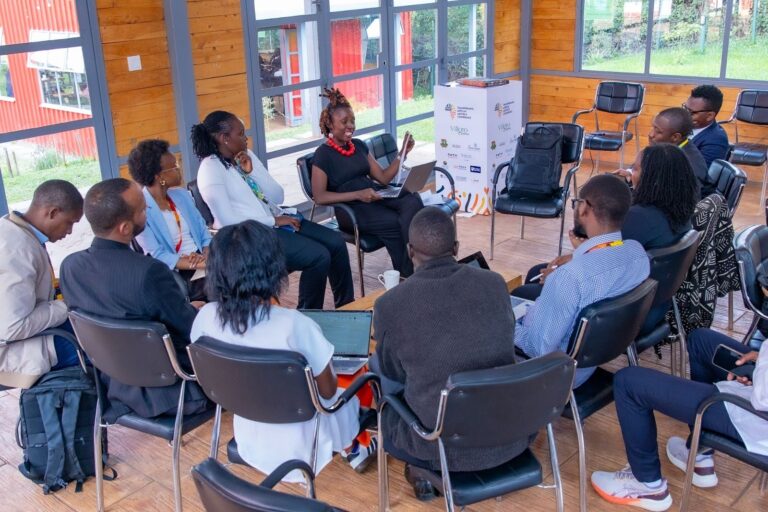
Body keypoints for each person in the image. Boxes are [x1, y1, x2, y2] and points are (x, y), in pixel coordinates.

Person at [190, 220, 373, 481]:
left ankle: (354, 448)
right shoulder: (294, 325)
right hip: (307, 441)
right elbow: (327, 391)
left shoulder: (205, 318)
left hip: (249, 431)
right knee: (359, 375)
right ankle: (355, 447)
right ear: (274, 269)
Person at [373, 208, 522, 500]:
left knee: (378, 370)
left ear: (410, 251)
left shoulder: (390, 304)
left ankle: (422, 468)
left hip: (438, 445)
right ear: (455, 248)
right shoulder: (494, 283)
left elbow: (393, 373)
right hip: (511, 432)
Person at [60, 178, 209, 420]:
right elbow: (189, 329)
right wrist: (196, 311)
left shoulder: (71, 266)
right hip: (175, 391)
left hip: (113, 386)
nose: (148, 211)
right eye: (142, 210)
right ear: (125, 228)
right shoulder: (148, 272)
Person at [192, 110, 354, 309]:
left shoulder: (245, 156)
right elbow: (227, 221)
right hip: (250, 238)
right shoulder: (210, 169)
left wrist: (252, 172)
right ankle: (309, 314)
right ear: (224, 138)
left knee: (336, 242)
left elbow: (277, 196)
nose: (246, 138)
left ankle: (347, 307)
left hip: (276, 221)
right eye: (240, 134)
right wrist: (273, 221)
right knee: (318, 256)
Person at [592, 328, 768, 511]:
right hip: (760, 392)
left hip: (755, 417)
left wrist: (763, 363)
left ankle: (647, 484)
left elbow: (762, 398)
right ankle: (700, 453)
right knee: (701, 341)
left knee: (628, 382)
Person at [513, 175, 649, 387]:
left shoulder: (569, 277)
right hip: (591, 361)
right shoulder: (638, 253)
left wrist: (503, 324)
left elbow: (537, 349)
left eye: (576, 203)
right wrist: (580, 255)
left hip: (554, 376)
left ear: (584, 207)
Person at [311, 88, 423, 277]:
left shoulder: (358, 145)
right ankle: (408, 276)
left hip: (373, 195)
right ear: (330, 124)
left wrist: (402, 153)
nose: (350, 126)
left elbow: (383, 178)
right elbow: (319, 197)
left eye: (352, 121)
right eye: (344, 122)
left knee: (412, 200)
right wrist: (358, 195)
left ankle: (422, 261)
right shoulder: (323, 154)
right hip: (350, 208)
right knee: (394, 222)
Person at [0, 180, 83, 388]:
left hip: (25, 331)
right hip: (12, 349)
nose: (70, 231)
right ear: (52, 212)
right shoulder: (17, 249)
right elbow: (13, 328)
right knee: (103, 348)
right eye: (70, 223)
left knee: (93, 327)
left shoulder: (12, 226)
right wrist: (67, 305)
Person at [128, 139, 211, 301]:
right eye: (174, 167)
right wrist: (199, 264)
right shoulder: (141, 210)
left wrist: (207, 254)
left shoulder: (181, 195)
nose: (179, 170)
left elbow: (203, 232)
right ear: (159, 176)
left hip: (203, 260)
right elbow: (158, 255)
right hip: (179, 272)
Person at [646, 107, 714, 197]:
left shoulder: (689, 166)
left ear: (675, 137)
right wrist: (632, 172)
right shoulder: (665, 148)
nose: (651, 134)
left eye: (658, 131)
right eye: (653, 127)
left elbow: (688, 201)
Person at [684, 85, 729, 168]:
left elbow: (699, 172)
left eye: (691, 112)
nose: (685, 114)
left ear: (709, 116)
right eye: (685, 108)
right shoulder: (682, 124)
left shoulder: (716, 140)